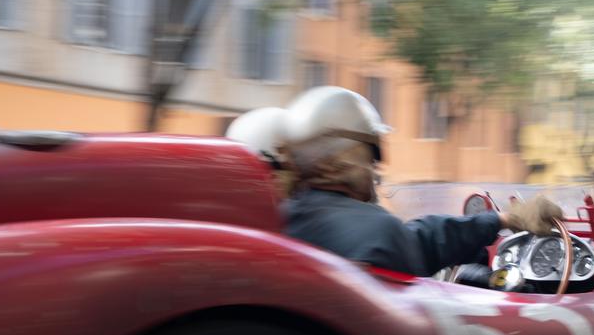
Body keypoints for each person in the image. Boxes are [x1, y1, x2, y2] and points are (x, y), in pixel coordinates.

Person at [228, 86, 563, 277]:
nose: (375, 170)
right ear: (351, 156)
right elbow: (412, 243)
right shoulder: (375, 230)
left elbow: (420, 237)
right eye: (372, 156)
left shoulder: (274, 220)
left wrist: (502, 219)